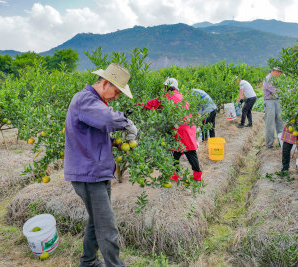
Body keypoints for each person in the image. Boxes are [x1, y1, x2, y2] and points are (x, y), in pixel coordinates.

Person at [64, 63, 137, 267]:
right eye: (116, 91)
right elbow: (106, 119)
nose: (116, 97)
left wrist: (113, 142)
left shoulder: (93, 102)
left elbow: (90, 134)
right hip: (89, 175)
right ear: (105, 83)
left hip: (97, 172)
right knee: (107, 226)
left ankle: (87, 262)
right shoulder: (85, 99)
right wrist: (127, 123)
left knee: (97, 221)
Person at [143, 78, 202, 182]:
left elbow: (151, 104)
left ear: (166, 87)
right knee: (178, 150)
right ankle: (188, 175)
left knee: (187, 151)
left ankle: (181, 175)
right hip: (189, 125)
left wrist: (136, 107)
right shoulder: (180, 96)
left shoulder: (166, 96)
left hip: (181, 127)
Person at [262, 67, 284, 148]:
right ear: (275, 72)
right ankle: (269, 144)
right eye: (279, 73)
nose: (280, 74)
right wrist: (288, 92)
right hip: (270, 102)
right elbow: (276, 90)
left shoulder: (276, 79)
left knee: (280, 122)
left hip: (277, 101)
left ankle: (281, 143)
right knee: (270, 123)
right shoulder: (268, 79)